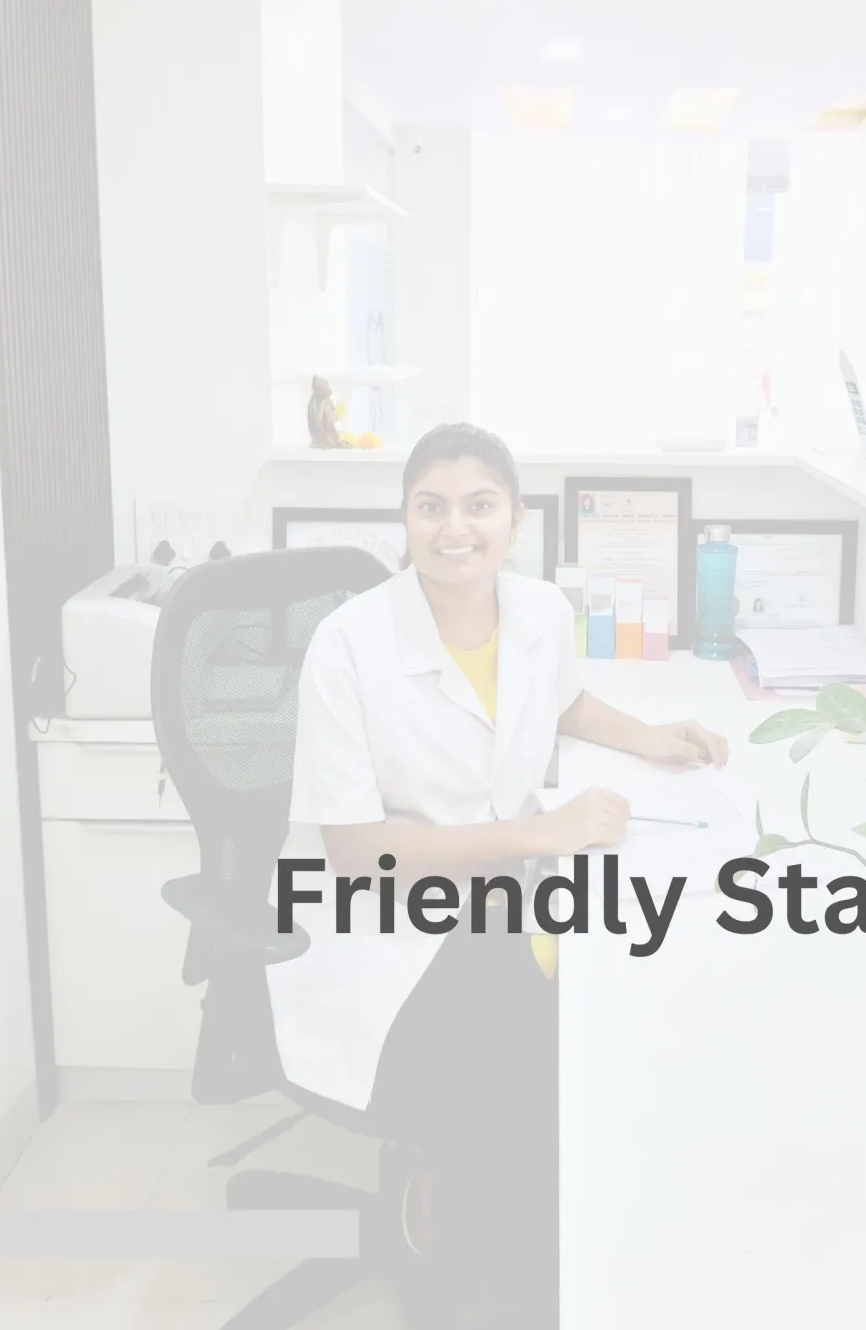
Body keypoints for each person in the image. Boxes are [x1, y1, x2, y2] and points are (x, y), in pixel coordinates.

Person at [267, 422, 728, 1322]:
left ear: (515, 519)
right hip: (378, 919)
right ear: (404, 519)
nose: (455, 528)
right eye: (430, 506)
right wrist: (537, 833)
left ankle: (516, 1232)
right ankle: (481, 1265)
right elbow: (356, 854)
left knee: (600, 1005)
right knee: (529, 1056)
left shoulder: (540, 612)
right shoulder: (347, 643)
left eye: (479, 506)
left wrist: (649, 738)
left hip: (491, 894)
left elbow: (564, 700)